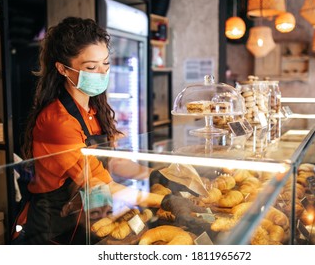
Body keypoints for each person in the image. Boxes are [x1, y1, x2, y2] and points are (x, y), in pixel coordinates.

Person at [16, 17, 206, 245]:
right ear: (62, 69)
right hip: (54, 228)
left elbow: (112, 164)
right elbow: (100, 184)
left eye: (105, 63)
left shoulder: (94, 109)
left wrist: (155, 175)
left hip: (89, 216)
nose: (101, 72)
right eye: (90, 67)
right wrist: (163, 201)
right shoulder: (58, 121)